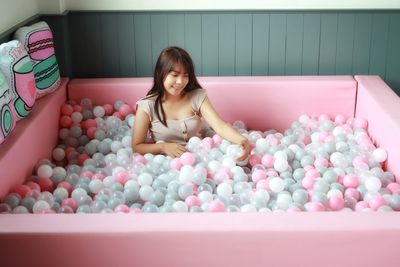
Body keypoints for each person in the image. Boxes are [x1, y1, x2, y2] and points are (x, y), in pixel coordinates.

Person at [131, 46, 250, 161]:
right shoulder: (147, 105)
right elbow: (137, 146)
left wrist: (242, 140)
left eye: (185, 76)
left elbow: (219, 125)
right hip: (165, 163)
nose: (180, 81)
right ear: (160, 73)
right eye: (175, 75)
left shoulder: (197, 97)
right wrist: (164, 147)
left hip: (201, 159)